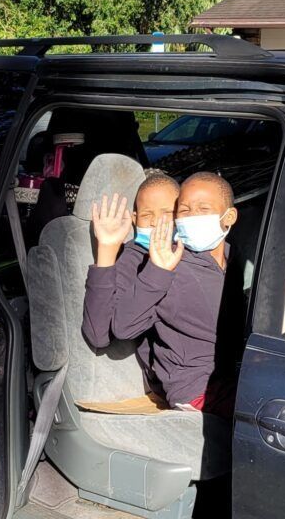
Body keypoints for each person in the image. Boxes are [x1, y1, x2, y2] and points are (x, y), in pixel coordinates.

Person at [110, 171, 242, 418]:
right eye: (184, 210)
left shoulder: (237, 258)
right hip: (197, 390)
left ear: (229, 217)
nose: (192, 217)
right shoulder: (169, 262)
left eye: (203, 209)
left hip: (235, 377)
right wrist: (159, 271)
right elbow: (123, 327)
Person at [82, 169, 180, 401]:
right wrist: (107, 250)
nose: (157, 222)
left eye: (167, 213)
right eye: (148, 215)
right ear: (135, 220)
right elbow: (99, 334)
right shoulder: (132, 259)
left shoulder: (195, 253)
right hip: (174, 381)